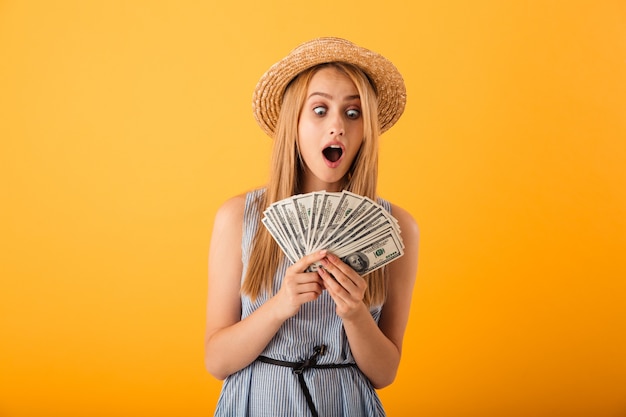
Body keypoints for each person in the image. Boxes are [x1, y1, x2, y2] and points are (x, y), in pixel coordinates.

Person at [205, 37, 419, 417]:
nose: (336, 126)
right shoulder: (238, 217)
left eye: (353, 114)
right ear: (295, 123)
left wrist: (355, 314)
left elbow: (385, 372)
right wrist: (279, 306)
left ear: (366, 129)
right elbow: (216, 361)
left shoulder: (397, 227)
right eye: (320, 110)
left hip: (346, 405)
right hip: (257, 403)